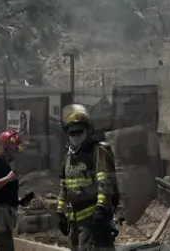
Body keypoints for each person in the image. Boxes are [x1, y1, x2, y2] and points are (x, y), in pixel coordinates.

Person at [56, 105, 119, 251]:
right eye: (72, 133)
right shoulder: (68, 157)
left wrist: (101, 209)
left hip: (92, 220)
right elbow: (64, 187)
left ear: (88, 131)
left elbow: (105, 183)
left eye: (80, 132)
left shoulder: (97, 152)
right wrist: (60, 212)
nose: (76, 136)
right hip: (75, 221)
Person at [0, 130, 34, 251]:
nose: (16, 153)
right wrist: (8, 178)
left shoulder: (5, 167)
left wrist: (20, 201)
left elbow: (3, 194)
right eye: (14, 149)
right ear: (5, 148)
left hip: (5, 219)